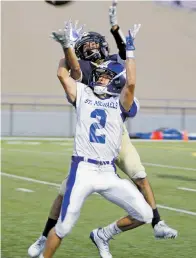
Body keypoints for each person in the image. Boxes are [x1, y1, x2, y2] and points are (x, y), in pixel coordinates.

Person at [28, 2, 177, 258]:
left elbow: (129, 81)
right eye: (84, 47)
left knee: (139, 176)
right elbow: (69, 73)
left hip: (116, 136)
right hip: (87, 162)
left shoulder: (114, 69)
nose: (90, 49)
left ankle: (155, 222)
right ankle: (44, 237)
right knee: (64, 201)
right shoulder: (84, 79)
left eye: (93, 44)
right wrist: (66, 45)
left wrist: (121, 36)